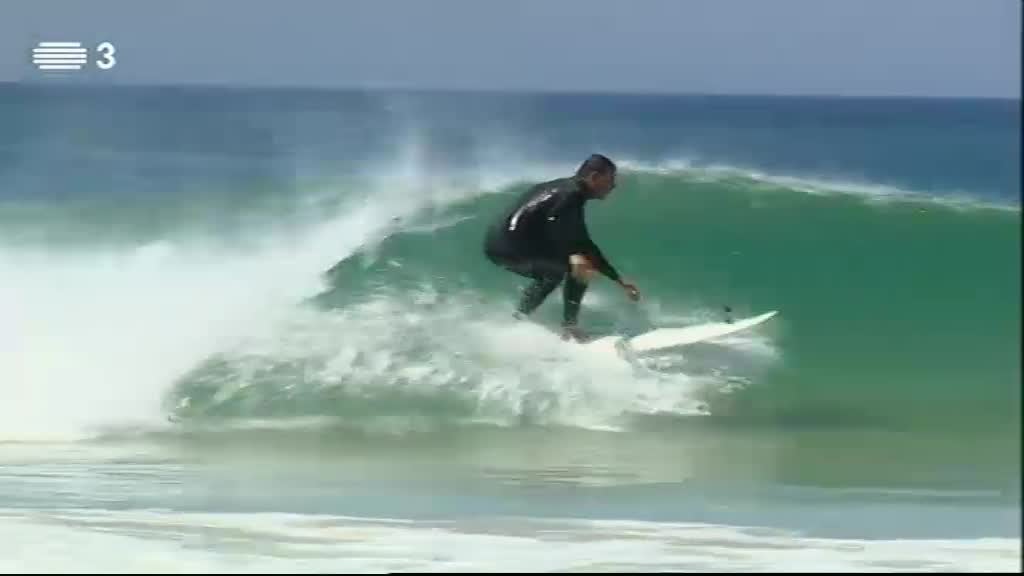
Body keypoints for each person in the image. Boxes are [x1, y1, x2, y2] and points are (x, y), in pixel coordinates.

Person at [483, 153, 640, 342]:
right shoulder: (571, 195)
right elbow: (557, 222)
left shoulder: (564, 189)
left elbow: (583, 243)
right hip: (510, 244)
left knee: (572, 263)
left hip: (498, 243)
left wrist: (618, 279)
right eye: (610, 179)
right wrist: (574, 255)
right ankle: (556, 324)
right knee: (568, 268)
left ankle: (523, 318)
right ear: (594, 177)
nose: (613, 186)